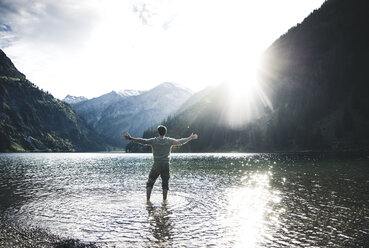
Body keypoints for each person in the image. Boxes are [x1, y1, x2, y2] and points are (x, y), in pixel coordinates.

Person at [122, 125, 198, 201]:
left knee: (150, 183)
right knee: (165, 184)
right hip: (166, 165)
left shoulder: (154, 140)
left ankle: (148, 200)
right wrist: (190, 138)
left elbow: (143, 141)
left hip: (157, 165)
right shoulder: (169, 140)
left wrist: (131, 138)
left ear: (158, 133)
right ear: (165, 133)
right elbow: (180, 141)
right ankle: (164, 201)